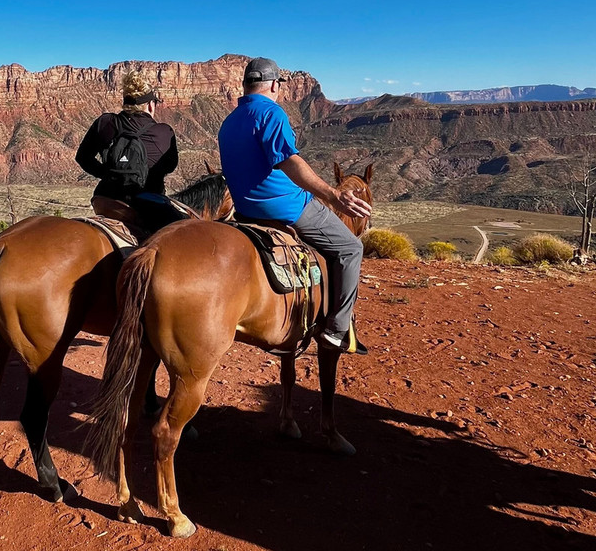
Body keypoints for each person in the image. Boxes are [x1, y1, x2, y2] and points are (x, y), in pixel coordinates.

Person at [218, 57, 373, 354]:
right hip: (285, 208)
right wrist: (332, 195)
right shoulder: (272, 113)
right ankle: (338, 329)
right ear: (275, 85)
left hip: (245, 211)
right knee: (351, 248)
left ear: (246, 85)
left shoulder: (230, 121)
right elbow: (288, 161)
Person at [76, 70, 181, 232]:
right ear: (150, 105)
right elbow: (170, 166)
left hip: (106, 200)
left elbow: (82, 157)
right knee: (184, 231)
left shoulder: (105, 122)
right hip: (148, 203)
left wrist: (110, 174)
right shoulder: (164, 132)